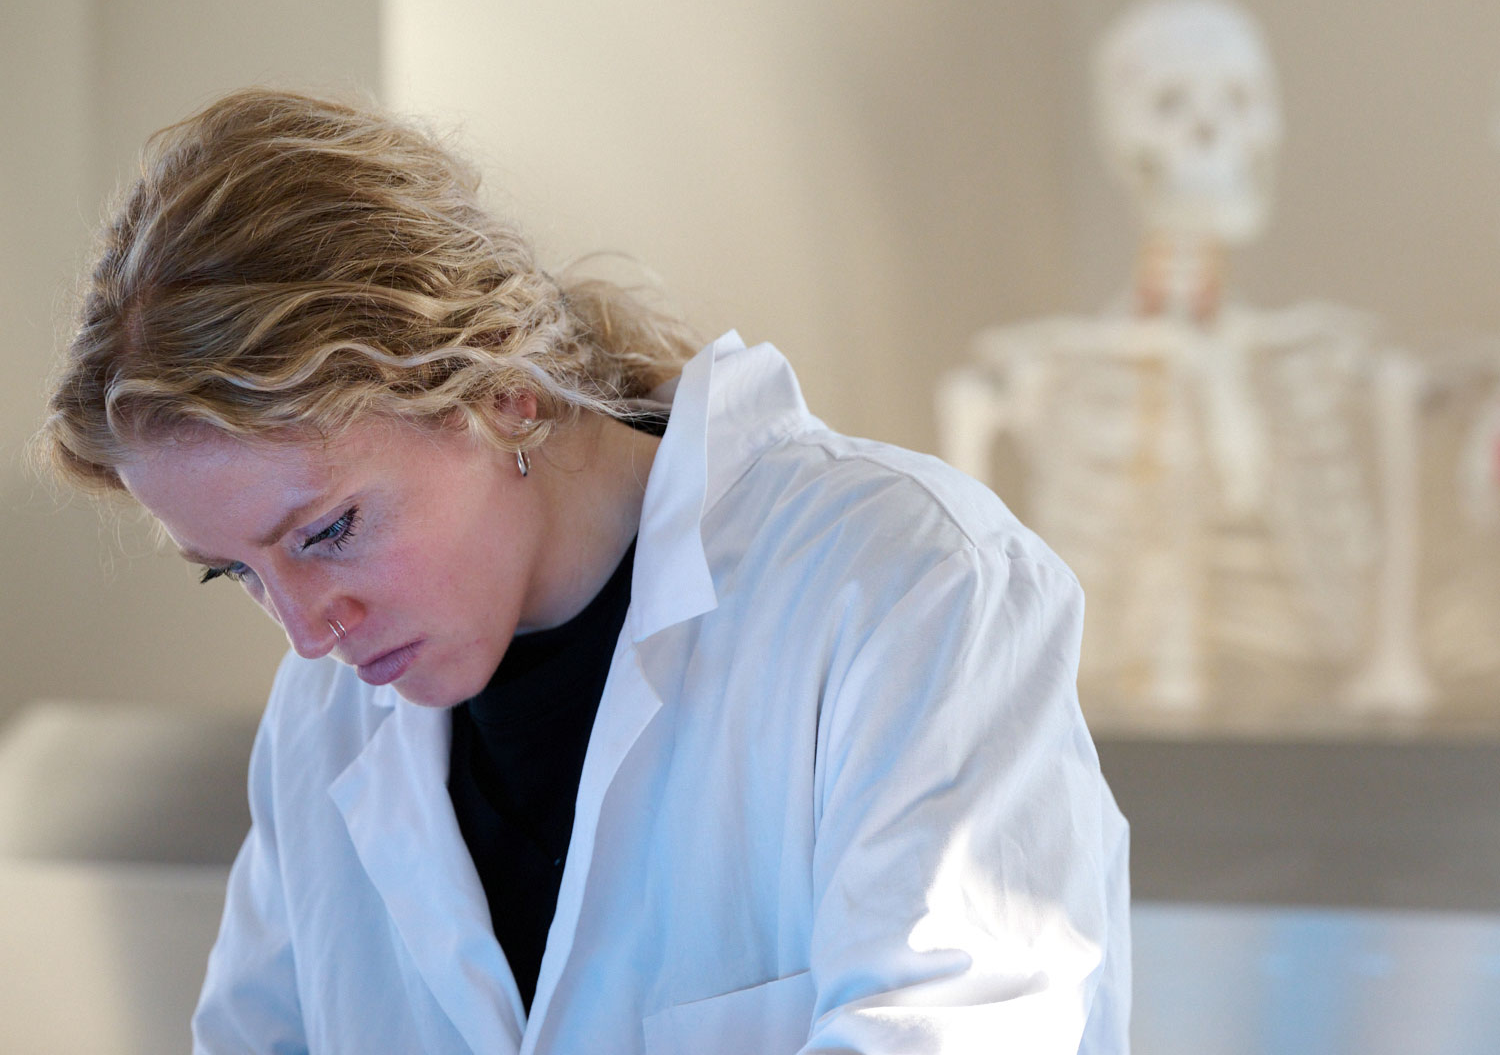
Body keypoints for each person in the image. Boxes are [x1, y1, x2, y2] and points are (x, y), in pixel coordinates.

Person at [40, 88, 1130, 1054]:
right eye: (233, 573)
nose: (309, 632)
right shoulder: (324, 720)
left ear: (506, 389)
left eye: (328, 533)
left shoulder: (906, 587)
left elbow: (956, 1025)